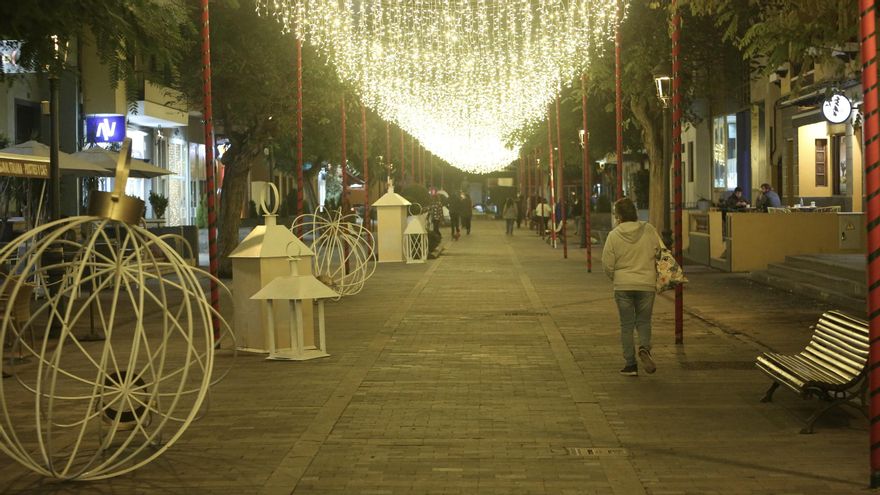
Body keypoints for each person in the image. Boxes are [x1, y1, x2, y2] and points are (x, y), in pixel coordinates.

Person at [601, 198, 660, 376]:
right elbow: (659, 252)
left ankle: (630, 364)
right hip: (646, 284)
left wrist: (617, 278)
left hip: (623, 285)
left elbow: (607, 264)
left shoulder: (614, 235)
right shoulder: (649, 230)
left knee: (626, 325)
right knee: (644, 321)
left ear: (618, 216)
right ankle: (644, 348)